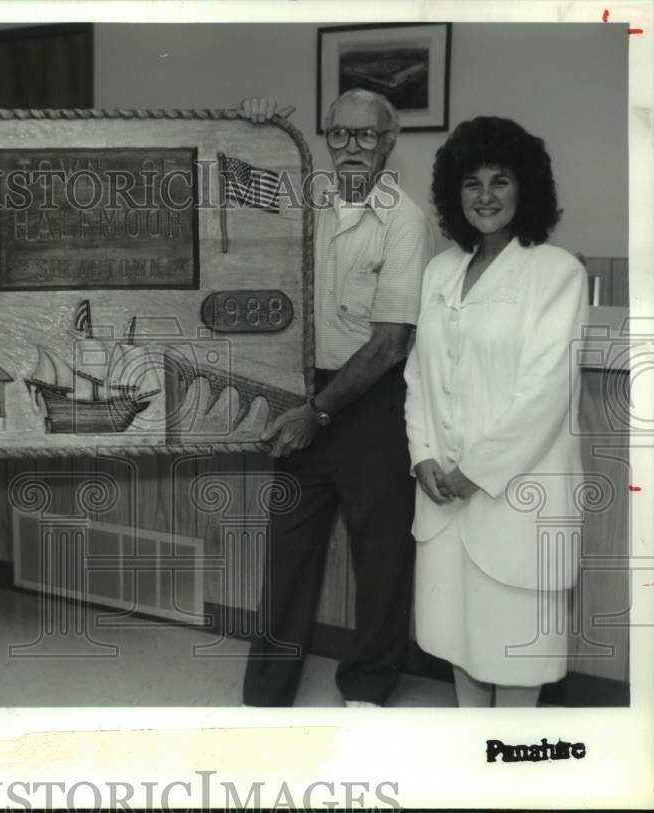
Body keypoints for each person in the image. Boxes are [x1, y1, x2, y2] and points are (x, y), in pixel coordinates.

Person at [239, 92, 434, 707]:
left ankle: (369, 690)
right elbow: (233, 218)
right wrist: (251, 133)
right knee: (287, 555)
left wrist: (318, 413)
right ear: (326, 137)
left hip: (369, 401)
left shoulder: (405, 220)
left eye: (367, 136)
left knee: (381, 557)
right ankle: (268, 693)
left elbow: (390, 344)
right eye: (341, 135)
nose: (353, 147)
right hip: (300, 394)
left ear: (389, 141)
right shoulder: (301, 201)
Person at [403, 116, 588, 707]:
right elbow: (418, 377)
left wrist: (472, 469)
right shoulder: (439, 271)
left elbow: (545, 392)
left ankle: (506, 773)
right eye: (471, 183)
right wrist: (423, 455)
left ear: (525, 187)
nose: (485, 196)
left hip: (514, 494)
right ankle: (472, 758)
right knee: (458, 637)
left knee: (514, 646)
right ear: (454, 195)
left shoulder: (556, 272)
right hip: (443, 498)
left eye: (500, 181)